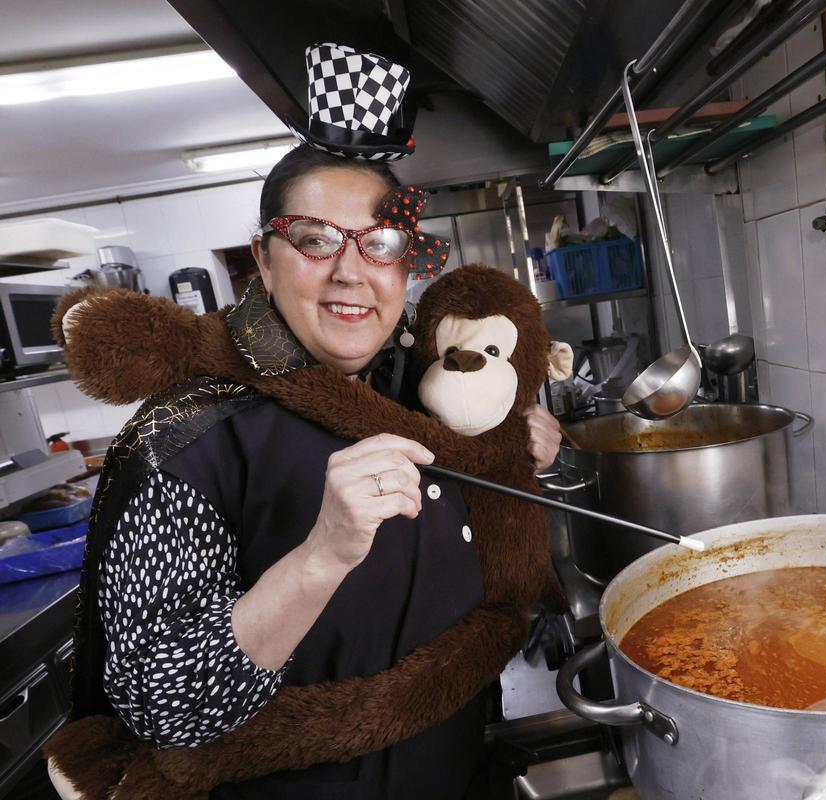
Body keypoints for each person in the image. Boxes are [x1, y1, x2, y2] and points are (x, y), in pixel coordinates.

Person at [88, 145, 562, 798]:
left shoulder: (422, 392)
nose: (351, 273)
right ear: (263, 257)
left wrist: (522, 441)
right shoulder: (181, 440)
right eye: (314, 240)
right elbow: (166, 711)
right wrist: (320, 556)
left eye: (381, 243)